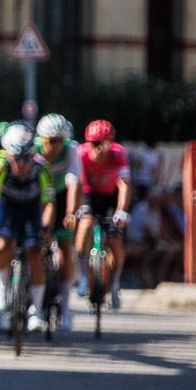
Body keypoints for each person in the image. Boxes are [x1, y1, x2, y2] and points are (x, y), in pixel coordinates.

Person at [0, 124, 56, 332]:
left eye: (27, 158)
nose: (23, 164)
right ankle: (2, 285)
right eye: (17, 158)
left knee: (35, 252)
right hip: (7, 209)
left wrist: (46, 227)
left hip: (32, 211)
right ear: (8, 155)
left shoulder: (41, 168)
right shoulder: (0, 166)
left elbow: (49, 202)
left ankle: (36, 309)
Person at [67, 119, 132, 308]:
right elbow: (76, 184)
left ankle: (114, 282)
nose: (98, 149)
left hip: (110, 196)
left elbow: (124, 183)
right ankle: (83, 274)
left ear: (110, 143)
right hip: (89, 194)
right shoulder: (81, 154)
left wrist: (121, 211)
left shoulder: (118, 153)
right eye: (94, 144)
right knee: (86, 224)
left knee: (114, 241)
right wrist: (73, 210)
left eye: (103, 144)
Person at [36, 113, 79, 328]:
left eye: (61, 141)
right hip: (38, 197)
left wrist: (71, 213)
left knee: (65, 248)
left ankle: (65, 307)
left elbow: (74, 182)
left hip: (61, 196)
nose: (56, 146)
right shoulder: (32, 150)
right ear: (41, 140)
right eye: (51, 141)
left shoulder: (71, 150)